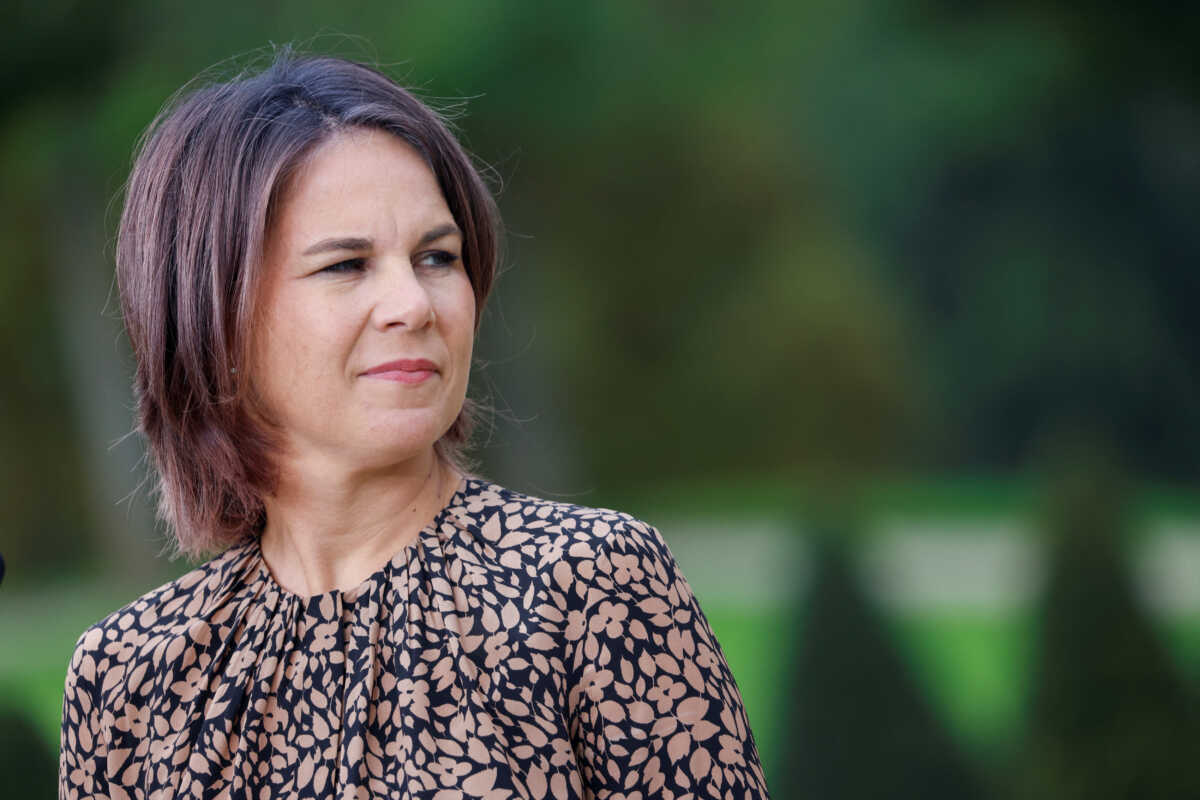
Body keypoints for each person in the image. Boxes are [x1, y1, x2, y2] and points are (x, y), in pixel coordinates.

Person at [59, 49, 770, 800]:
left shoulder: (589, 587)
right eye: (346, 266)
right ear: (214, 313)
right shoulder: (128, 678)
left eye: (437, 257)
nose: (414, 304)